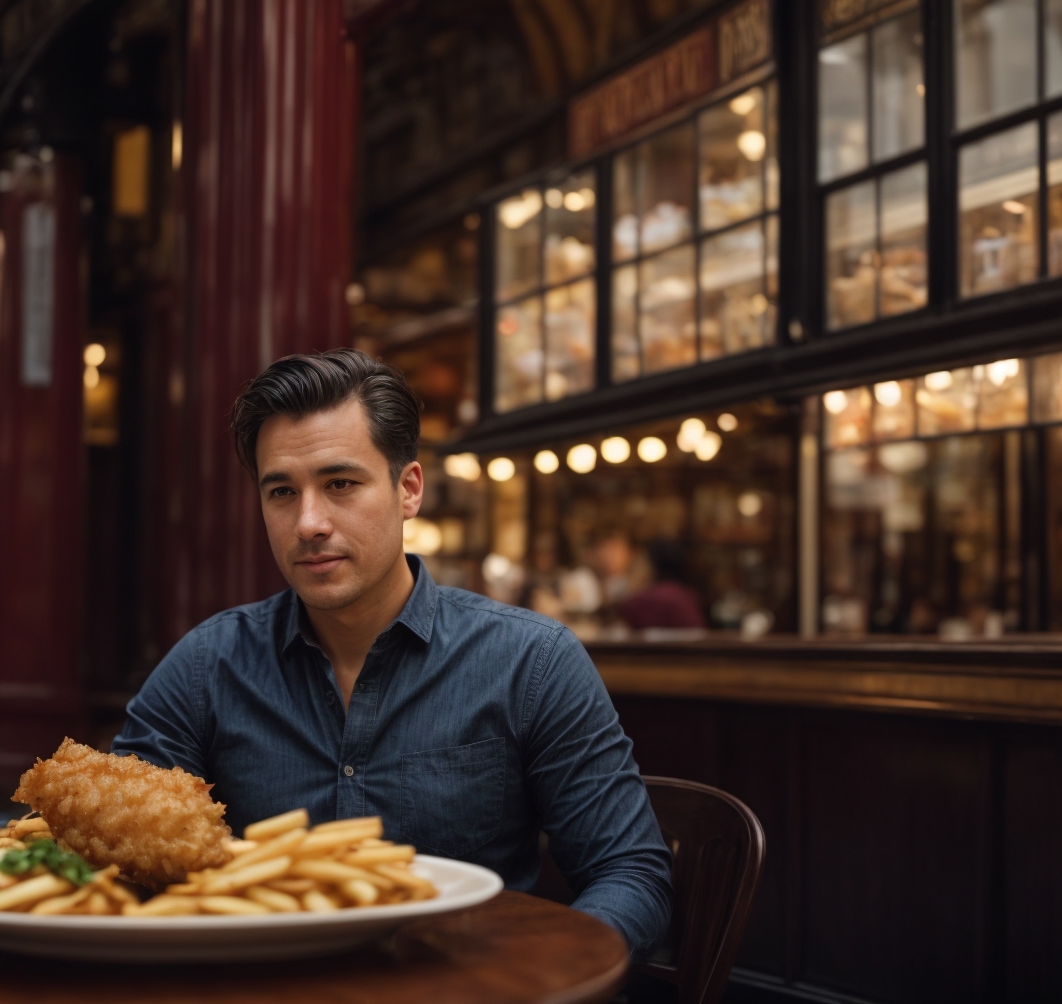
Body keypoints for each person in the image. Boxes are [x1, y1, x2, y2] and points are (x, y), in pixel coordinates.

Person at [100, 348, 672, 956]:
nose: (309, 522)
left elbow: (631, 875)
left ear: (408, 489)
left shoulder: (530, 661)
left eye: (340, 484)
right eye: (281, 492)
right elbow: (103, 838)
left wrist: (533, 980)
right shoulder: (207, 666)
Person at [616, 540, 706, 631]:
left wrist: (631, 589)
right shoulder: (686, 594)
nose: (636, 568)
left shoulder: (650, 598)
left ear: (652, 565)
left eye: (640, 563)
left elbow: (627, 610)